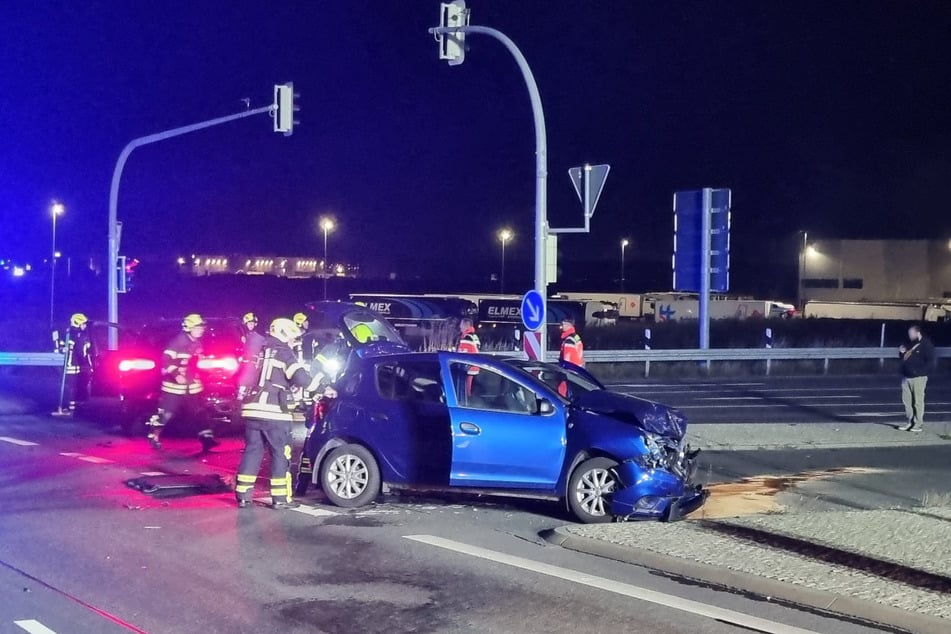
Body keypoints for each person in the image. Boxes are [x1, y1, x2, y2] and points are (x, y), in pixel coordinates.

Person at [235, 318, 326, 509]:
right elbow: (302, 379)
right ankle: (280, 498)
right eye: (292, 338)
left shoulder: (260, 349)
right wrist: (321, 385)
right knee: (280, 453)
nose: (293, 342)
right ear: (284, 334)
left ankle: (243, 495)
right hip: (274, 412)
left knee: (252, 451)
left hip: (252, 409)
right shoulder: (284, 352)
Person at [146, 314, 217, 452]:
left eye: (202, 326)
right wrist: (177, 374)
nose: (201, 329)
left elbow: (196, 362)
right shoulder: (178, 342)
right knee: (166, 414)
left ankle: (207, 440)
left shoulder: (197, 343)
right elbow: (166, 360)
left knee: (199, 412)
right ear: (189, 328)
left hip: (192, 386)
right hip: (174, 387)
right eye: (198, 327)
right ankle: (153, 436)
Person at [898, 324, 935, 432]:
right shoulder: (909, 343)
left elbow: (930, 361)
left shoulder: (926, 344)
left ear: (917, 332)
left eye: (911, 333)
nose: (909, 335)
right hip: (906, 377)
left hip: (918, 378)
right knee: (907, 401)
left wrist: (919, 372)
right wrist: (901, 353)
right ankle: (910, 422)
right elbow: (905, 357)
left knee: (918, 402)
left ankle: (918, 424)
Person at [55, 313, 92, 416]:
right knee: (76, 387)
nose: (85, 326)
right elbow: (64, 349)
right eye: (83, 323)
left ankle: (77, 408)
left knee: (78, 387)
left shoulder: (77, 334)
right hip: (76, 365)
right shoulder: (74, 335)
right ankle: (75, 409)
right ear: (78, 323)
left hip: (79, 366)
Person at [237, 312, 266, 392]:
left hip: (253, 366)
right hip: (240, 366)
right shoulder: (239, 335)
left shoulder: (257, 336)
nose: (251, 325)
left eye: (253, 323)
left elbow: (264, 344)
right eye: (249, 323)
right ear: (245, 323)